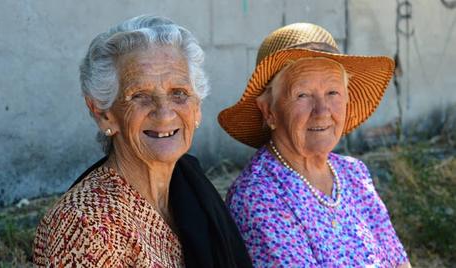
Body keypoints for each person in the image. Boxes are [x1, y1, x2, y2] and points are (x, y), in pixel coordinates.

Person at [33, 15, 252, 268]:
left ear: (197, 108)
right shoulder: (86, 225)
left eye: (179, 93)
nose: (165, 113)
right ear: (104, 114)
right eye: (140, 96)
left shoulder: (187, 190)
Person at [218, 23, 411, 267]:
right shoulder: (258, 195)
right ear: (269, 111)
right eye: (303, 95)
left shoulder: (353, 173)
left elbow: (399, 262)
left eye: (332, 93)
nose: (322, 112)